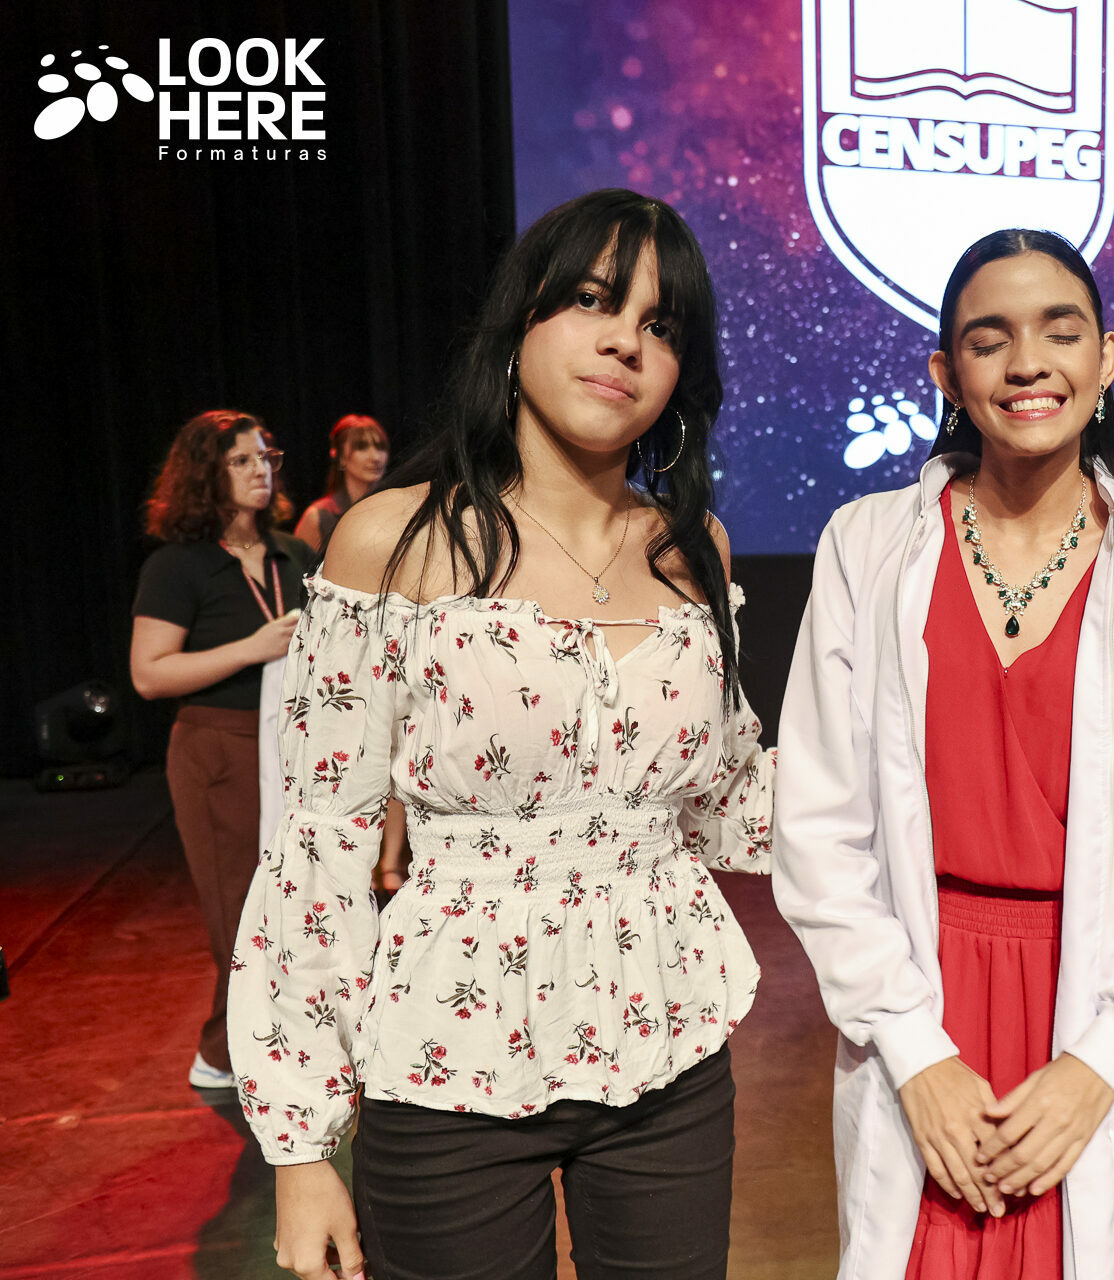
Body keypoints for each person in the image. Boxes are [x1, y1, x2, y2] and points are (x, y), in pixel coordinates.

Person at [227, 189, 775, 1280]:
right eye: (593, 301)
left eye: (661, 325)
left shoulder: (693, 548)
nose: (625, 341)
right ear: (522, 321)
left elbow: (724, 799)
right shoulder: (396, 539)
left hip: (668, 1049)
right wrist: (301, 1144)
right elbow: (318, 842)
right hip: (449, 1059)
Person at [774, 228, 1114, 1280]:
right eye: (988, 339)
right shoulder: (865, 547)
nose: (1026, 363)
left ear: (1108, 357)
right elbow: (817, 829)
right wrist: (916, 1056)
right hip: (924, 1010)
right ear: (946, 374)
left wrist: (1100, 1062)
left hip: (1106, 1019)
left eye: (1061, 331)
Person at [130, 411, 313, 1091]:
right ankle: (226, 1052)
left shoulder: (293, 554)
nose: (261, 470)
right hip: (219, 749)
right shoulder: (177, 565)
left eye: (266, 456)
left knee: (295, 903)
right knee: (239, 907)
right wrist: (251, 648)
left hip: (293, 744)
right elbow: (149, 674)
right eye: (241, 460)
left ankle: (262, 1045)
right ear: (207, 473)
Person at [293, 413, 390, 556]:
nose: (375, 457)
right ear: (341, 457)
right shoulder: (318, 517)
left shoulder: (393, 508)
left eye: (380, 447)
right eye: (362, 447)